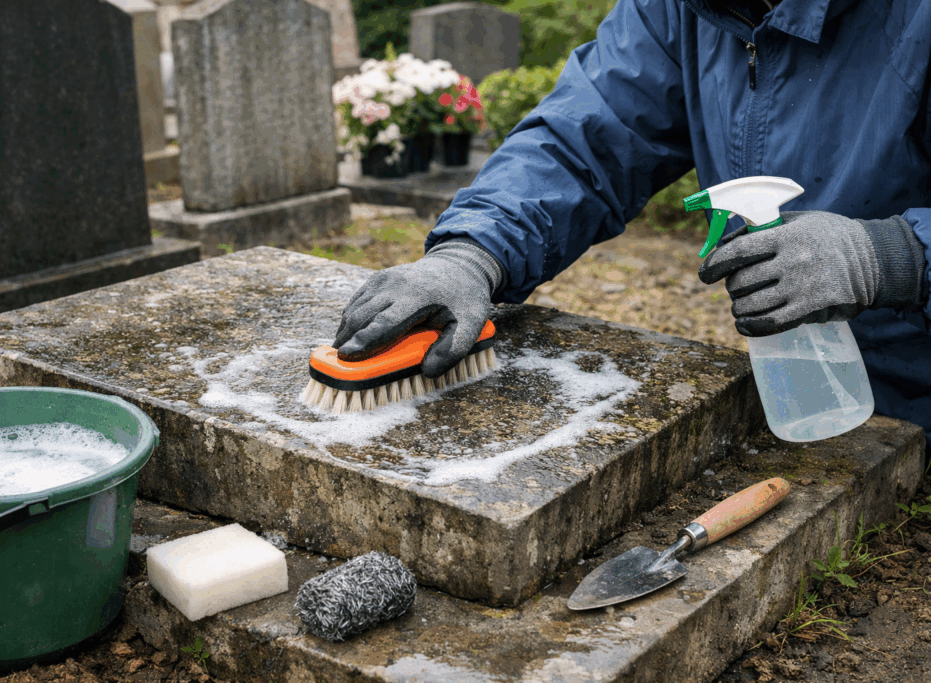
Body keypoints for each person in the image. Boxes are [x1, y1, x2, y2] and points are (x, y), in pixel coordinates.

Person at [334, 0, 931, 447]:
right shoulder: (683, 7)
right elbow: (586, 137)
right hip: (819, 400)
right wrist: (471, 251)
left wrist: (894, 256)